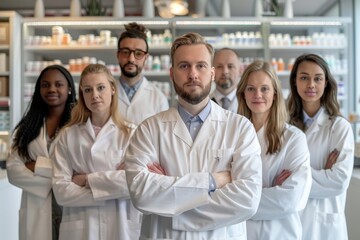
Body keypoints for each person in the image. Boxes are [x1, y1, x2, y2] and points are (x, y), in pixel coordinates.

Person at [125, 32, 262, 240]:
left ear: (213, 73)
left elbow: (247, 201)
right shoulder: (149, 130)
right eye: (184, 66)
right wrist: (213, 181)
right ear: (171, 73)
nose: (193, 74)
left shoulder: (240, 128)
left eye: (201, 66)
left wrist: (170, 201)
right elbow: (141, 195)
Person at [52, 64, 140, 240]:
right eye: (88, 90)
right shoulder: (67, 136)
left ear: (112, 89)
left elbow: (134, 184)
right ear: (82, 95)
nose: (95, 95)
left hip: (121, 228)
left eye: (101, 88)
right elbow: (61, 192)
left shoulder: (132, 134)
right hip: (82, 229)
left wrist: (86, 180)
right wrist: (113, 185)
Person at [237, 60, 312, 239]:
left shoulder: (294, 139)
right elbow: (218, 193)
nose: (257, 95)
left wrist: (238, 197)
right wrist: (270, 190)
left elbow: (290, 200)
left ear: (275, 94)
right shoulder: (233, 136)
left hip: (280, 233)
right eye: (251, 89)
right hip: (240, 233)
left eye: (264, 88)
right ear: (243, 94)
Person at [287, 53, 354, 240]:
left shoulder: (339, 127)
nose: (311, 85)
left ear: (326, 83)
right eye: (304, 78)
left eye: (318, 78)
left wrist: (294, 175)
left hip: (324, 226)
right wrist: (322, 173)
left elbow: (338, 182)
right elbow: (275, 175)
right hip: (290, 221)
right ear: (295, 82)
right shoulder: (284, 125)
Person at [6, 65, 77, 240]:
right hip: (35, 209)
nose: (52, 89)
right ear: (39, 90)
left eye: (58, 84)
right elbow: (13, 170)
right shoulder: (28, 127)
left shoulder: (79, 126)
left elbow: (78, 170)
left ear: (69, 89)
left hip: (69, 208)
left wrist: (36, 166)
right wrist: (59, 178)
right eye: (45, 85)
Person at [116, 22, 169, 125]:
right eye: (126, 52)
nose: (131, 59)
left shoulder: (159, 99)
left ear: (146, 58)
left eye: (138, 53)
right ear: (118, 55)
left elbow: (162, 139)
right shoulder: (106, 93)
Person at [210, 48, 241, 112]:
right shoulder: (204, 104)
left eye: (230, 66)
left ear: (240, 70)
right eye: (219, 66)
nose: (225, 71)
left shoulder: (248, 103)